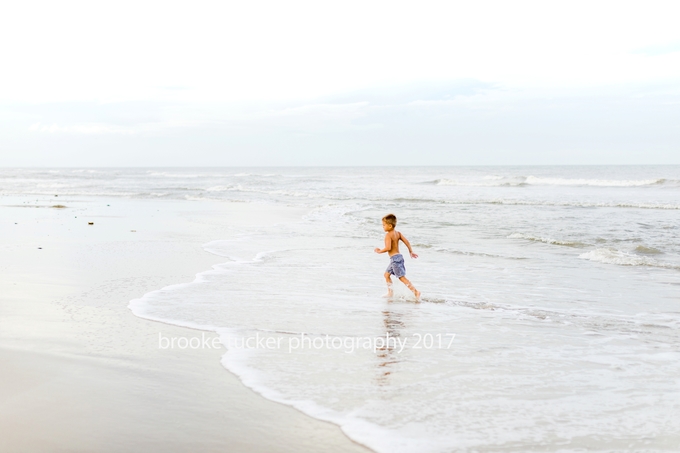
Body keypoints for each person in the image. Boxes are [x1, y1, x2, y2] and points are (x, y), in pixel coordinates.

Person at [374, 214, 420, 300]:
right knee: (386, 275)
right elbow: (407, 242)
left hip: (395, 259)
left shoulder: (388, 235)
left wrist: (379, 251)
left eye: (384, 225)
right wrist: (411, 251)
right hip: (398, 258)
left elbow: (388, 248)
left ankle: (415, 291)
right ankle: (390, 293)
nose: (382, 227)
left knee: (401, 277)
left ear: (390, 226)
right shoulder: (398, 233)